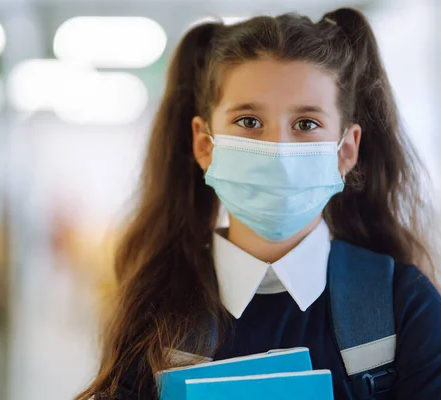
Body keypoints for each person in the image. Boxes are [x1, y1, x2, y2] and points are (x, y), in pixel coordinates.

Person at [75, 7, 441, 400]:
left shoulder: (405, 305)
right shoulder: (155, 308)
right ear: (204, 143)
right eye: (249, 122)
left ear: (346, 149)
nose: (278, 151)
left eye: (306, 124)